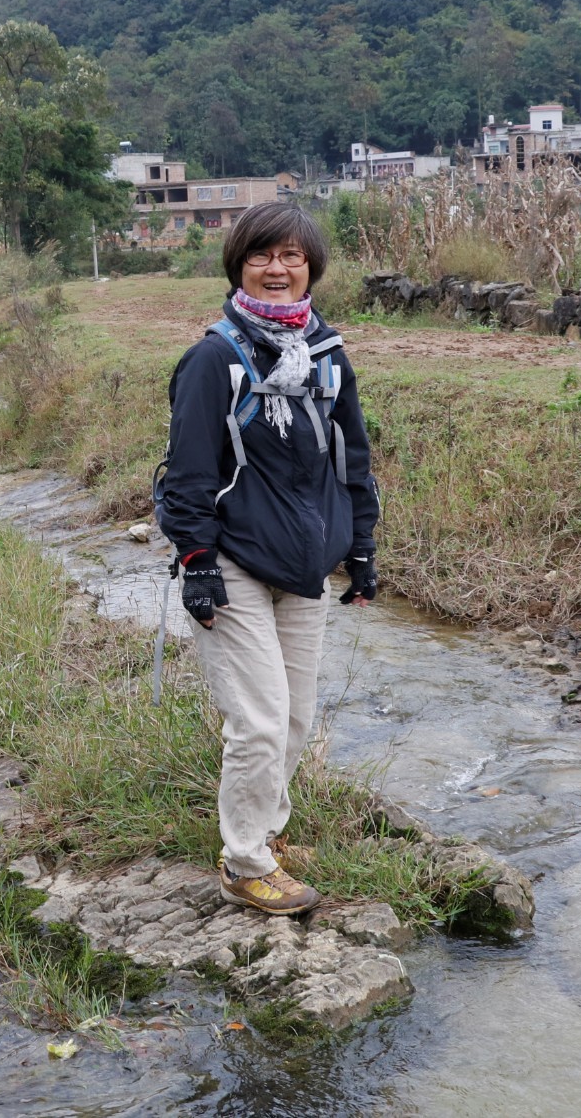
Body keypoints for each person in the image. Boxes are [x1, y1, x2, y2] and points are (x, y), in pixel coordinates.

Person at [155, 200, 380, 915]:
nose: (277, 268)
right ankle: (244, 863)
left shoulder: (325, 354)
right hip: (234, 567)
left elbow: (353, 458)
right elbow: (188, 475)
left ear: (311, 265)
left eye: (291, 255)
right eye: (262, 255)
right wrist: (197, 563)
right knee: (256, 719)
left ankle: (266, 833)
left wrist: (362, 548)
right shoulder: (214, 359)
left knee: (293, 717)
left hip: (305, 568)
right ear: (238, 265)